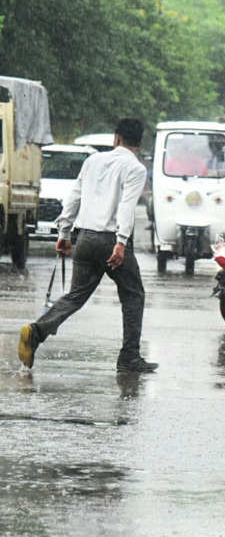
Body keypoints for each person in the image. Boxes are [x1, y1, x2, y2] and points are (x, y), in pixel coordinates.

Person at [18, 118, 158, 374]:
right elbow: (127, 206)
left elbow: (74, 195)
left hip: (84, 239)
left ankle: (35, 332)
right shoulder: (135, 169)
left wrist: (64, 232)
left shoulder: (92, 161)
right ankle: (129, 357)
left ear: (116, 138)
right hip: (109, 240)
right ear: (138, 142)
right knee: (133, 295)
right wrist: (121, 243)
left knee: (75, 296)